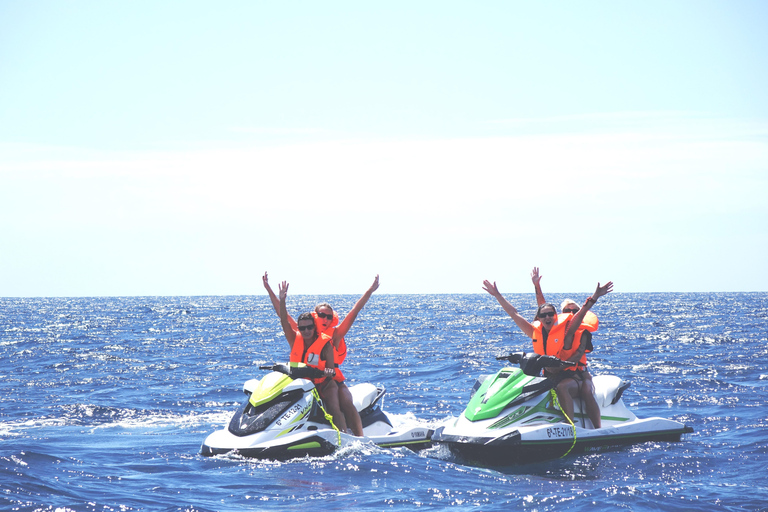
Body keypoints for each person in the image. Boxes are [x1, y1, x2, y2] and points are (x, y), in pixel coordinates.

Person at [482, 278, 613, 428]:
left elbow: (579, 318)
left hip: (575, 375)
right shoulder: (535, 331)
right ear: (539, 318)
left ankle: (577, 427)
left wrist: (594, 296)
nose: (547, 317)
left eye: (551, 314)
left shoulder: (569, 333)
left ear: (556, 317)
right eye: (543, 316)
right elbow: (515, 313)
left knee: (569, 388)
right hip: (549, 375)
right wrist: (498, 295)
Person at [263, 272, 380, 436]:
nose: (325, 318)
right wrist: (270, 290)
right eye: (321, 315)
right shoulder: (303, 330)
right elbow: (282, 316)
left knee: (344, 402)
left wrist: (370, 291)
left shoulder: (334, 335)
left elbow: (354, 312)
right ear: (314, 317)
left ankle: (356, 437)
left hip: (331, 379)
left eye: (328, 316)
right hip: (304, 380)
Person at [530, 267, 601, 426]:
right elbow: (543, 308)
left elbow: (578, 354)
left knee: (585, 392)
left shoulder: (581, 332)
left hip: (579, 374)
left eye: (574, 311)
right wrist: (537, 286)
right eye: (567, 311)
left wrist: (559, 368)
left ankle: (597, 428)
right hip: (555, 373)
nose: (571, 313)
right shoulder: (554, 330)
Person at [277, 281, 345, 432]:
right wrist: (282, 300)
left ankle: (344, 435)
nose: (306, 330)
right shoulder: (294, 339)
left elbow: (331, 371)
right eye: (302, 328)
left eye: (309, 327)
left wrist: (321, 373)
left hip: (324, 384)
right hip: (303, 385)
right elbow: (283, 320)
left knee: (334, 407)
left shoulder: (325, 344)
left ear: (314, 327)